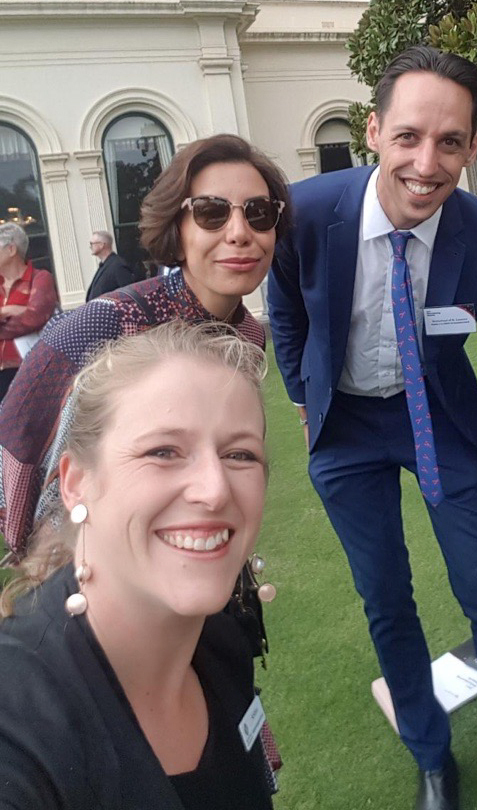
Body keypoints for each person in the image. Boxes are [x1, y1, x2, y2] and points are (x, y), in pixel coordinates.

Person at [268, 45, 477, 810]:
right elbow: (286, 311)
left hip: (442, 419)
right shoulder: (308, 211)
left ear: (470, 146)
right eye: (408, 137)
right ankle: (432, 758)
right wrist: (303, 399)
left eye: (451, 142)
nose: (427, 163)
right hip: (348, 429)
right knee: (386, 597)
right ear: (373, 131)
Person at [0, 321, 276, 808]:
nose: (214, 490)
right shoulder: (19, 724)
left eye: (240, 454)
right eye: (163, 452)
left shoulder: (222, 639)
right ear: (76, 481)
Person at [0, 133, 290, 558]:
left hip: (202, 545)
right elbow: (18, 436)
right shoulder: (108, 323)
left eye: (259, 213)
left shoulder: (247, 336)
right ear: (177, 227)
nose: (240, 233)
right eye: (211, 213)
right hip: (96, 565)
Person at [0, 222, 58, 402]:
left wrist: (12, 313)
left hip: (28, 371)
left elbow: (33, 317)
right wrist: (10, 310)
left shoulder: (40, 278)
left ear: (11, 250)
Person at [85, 230, 137, 300]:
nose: (90, 247)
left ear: (101, 245)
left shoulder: (118, 266)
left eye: (92, 244)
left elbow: (129, 294)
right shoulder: (105, 265)